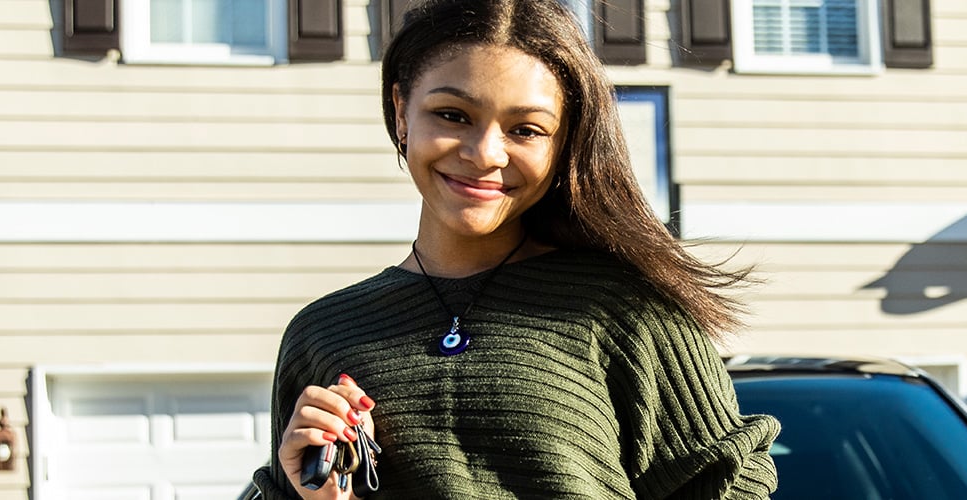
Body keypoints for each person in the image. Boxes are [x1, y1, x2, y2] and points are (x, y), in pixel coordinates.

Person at [251, 0, 779, 497]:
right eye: (452, 115)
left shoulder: (628, 314)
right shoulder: (323, 334)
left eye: (525, 129)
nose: (484, 154)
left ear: (562, 144)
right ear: (400, 112)